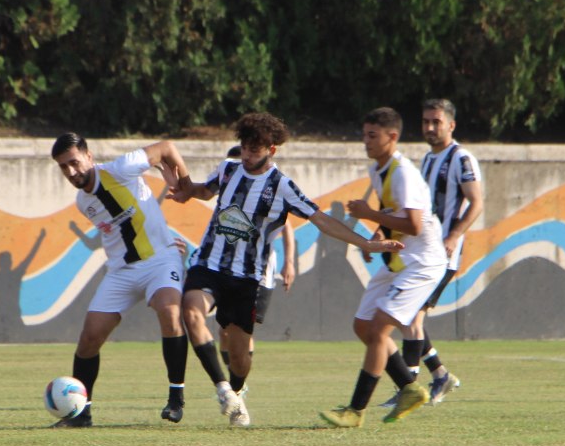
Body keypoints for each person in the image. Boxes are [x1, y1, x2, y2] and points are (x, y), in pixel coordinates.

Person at [169, 113, 402, 427]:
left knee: (240, 356)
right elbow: (204, 189)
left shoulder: (282, 186)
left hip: (248, 278)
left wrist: (366, 243)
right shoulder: (228, 170)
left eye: (255, 149)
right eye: (245, 148)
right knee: (191, 310)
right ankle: (223, 389)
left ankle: (237, 392)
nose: (248, 155)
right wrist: (187, 191)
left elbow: (321, 220)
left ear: (272, 150)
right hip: (209, 264)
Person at [49, 133, 194, 427]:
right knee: (90, 338)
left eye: (74, 162)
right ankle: (80, 414)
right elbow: (121, 230)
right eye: (64, 167)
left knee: (170, 311)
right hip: (122, 272)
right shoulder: (82, 202)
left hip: (160, 261)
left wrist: (186, 184)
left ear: (89, 156)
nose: (71, 171)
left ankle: (176, 398)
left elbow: (166, 147)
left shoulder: (121, 168)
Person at [320, 107, 448, 428]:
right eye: (364, 135)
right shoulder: (379, 170)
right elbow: (394, 212)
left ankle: (355, 410)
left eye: (372, 136)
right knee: (363, 327)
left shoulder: (404, 172)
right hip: (397, 258)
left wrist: (369, 215)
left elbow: (416, 225)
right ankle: (409, 388)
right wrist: (376, 237)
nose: (366, 141)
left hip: (421, 263)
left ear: (393, 137)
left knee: (378, 329)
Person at [380, 98, 482, 408]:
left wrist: (453, 235)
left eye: (436, 122)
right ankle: (439, 375)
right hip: (421, 252)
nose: (430, 127)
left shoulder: (462, 159)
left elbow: (476, 202)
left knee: (411, 317)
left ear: (451, 124)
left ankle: (407, 388)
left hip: (443, 254)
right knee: (409, 318)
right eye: (426, 121)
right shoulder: (426, 160)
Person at [216, 146, 295, 372]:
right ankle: (233, 382)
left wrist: (289, 262)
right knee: (223, 332)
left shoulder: (268, 190)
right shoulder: (228, 191)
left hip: (258, 271)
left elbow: (287, 224)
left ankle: (238, 388)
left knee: (242, 328)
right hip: (227, 269)